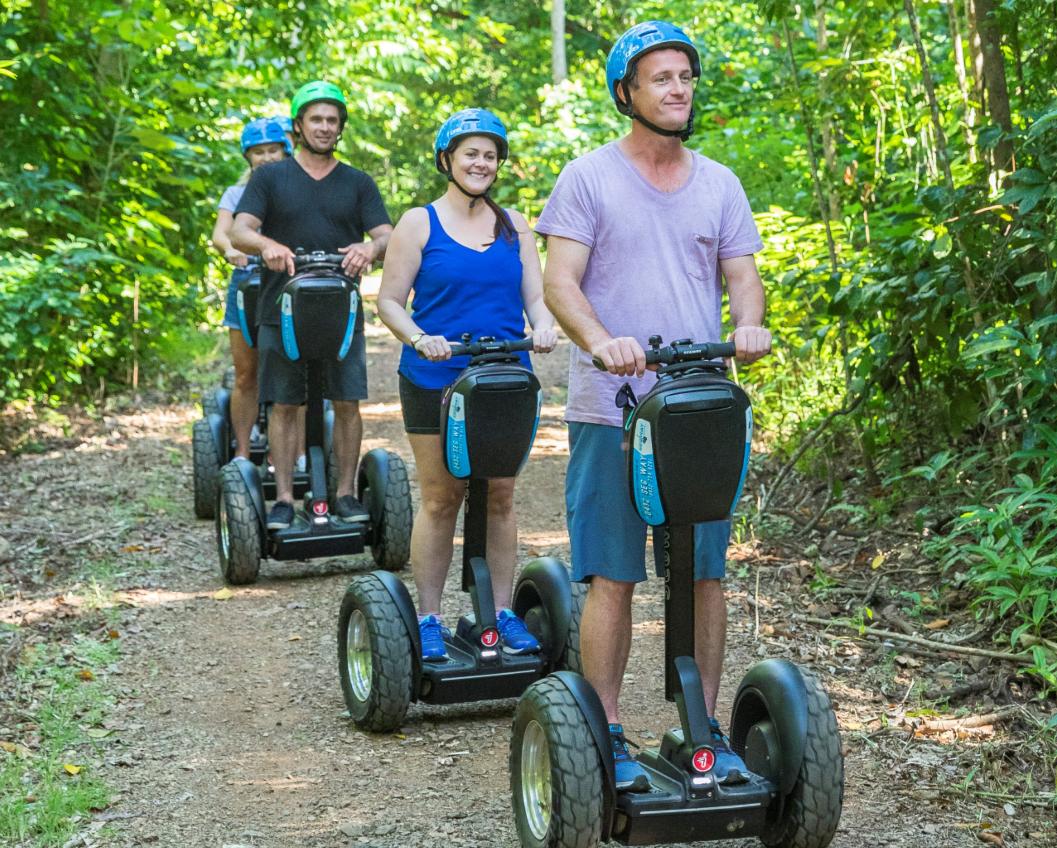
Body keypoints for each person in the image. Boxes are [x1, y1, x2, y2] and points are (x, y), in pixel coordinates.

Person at [536, 21, 773, 789]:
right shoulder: (589, 178)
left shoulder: (720, 183)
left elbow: (742, 275)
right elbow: (560, 282)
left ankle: (700, 728)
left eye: (685, 76)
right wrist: (603, 340)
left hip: (699, 408)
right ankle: (603, 729)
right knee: (614, 573)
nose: (678, 90)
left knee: (706, 572)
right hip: (614, 408)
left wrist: (749, 323)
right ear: (626, 94)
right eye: (661, 79)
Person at [377, 108, 558, 659]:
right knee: (442, 497)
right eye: (471, 153)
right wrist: (418, 337)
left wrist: (544, 324)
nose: (482, 163)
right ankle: (428, 618)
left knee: (499, 495)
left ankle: (500, 613)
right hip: (436, 377)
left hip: (504, 379)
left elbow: (535, 295)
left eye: (490, 155)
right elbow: (388, 300)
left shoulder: (515, 225)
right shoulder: (418, 222)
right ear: (447, 160)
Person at [230, 81, 393, 529]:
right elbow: (240, 230)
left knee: (346, 401)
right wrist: (267, 246)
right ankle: (283, 498)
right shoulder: (269, 178)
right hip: (279, 310)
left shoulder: (357, 182)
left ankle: (343, 495)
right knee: (283, 404)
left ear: (340, 128)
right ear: (298, 126)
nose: (324, 127)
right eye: (316, 119)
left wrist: (369, 249)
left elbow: (386, 234)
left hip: (340, 313)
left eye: (332, 120)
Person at [209, 117, 290, 459]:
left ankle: (286, 453)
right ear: (248, 157)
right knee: (246, 374)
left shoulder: (295, 189)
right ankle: (242, 454)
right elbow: (221, 234)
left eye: (273, 150)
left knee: (289, 375)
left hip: (287, 283)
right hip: (248, 282)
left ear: (285, 151)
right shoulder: (237, 193)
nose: (267, 157)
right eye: (259, 152)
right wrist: (230, 250)